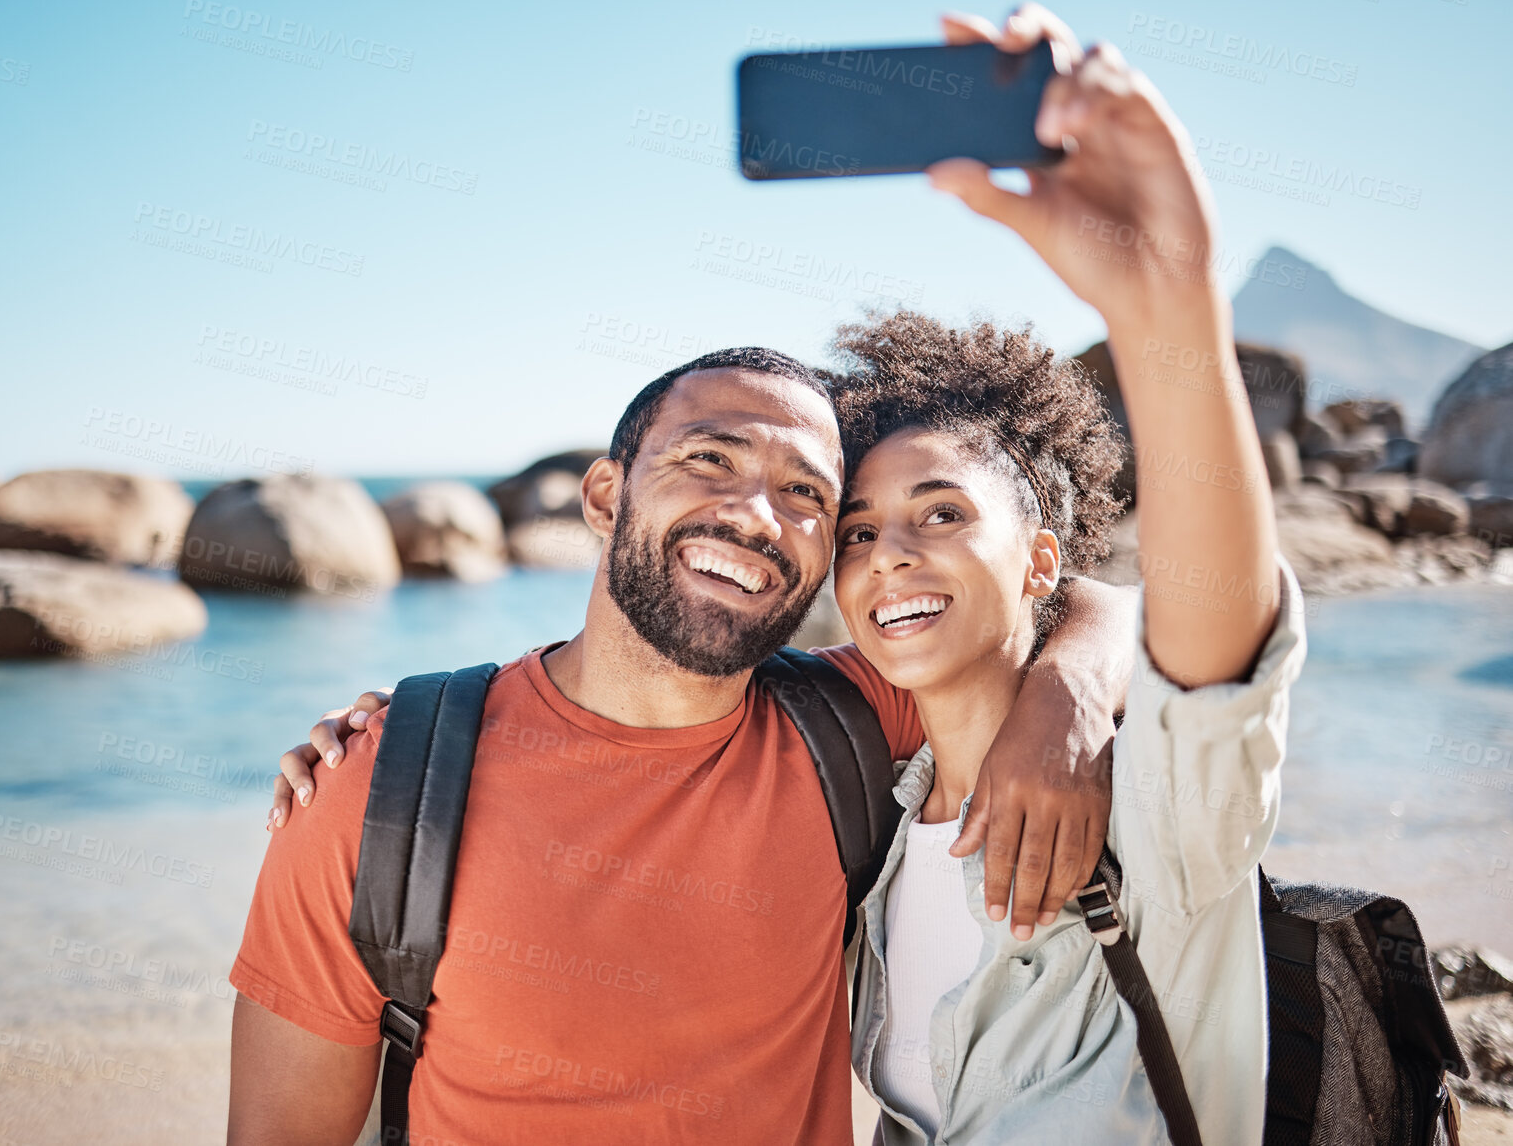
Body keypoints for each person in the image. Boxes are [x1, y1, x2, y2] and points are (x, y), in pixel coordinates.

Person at [229, 339, 1135, 1144]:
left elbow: (1089, 606)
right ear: (603, 494)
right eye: (709, 459)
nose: (755, 515)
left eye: (805, 495)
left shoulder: (851, 721)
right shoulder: (382, 786)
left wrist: (1067, 698)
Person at [824, 8, 1300, 1145]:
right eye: (856, 530)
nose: (889, 550)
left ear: (1043, 558)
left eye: (941, 512)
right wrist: (406, 729)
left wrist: (1171, 307)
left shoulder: (1151, 815)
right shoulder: (870, 836)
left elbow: (1216, 661)